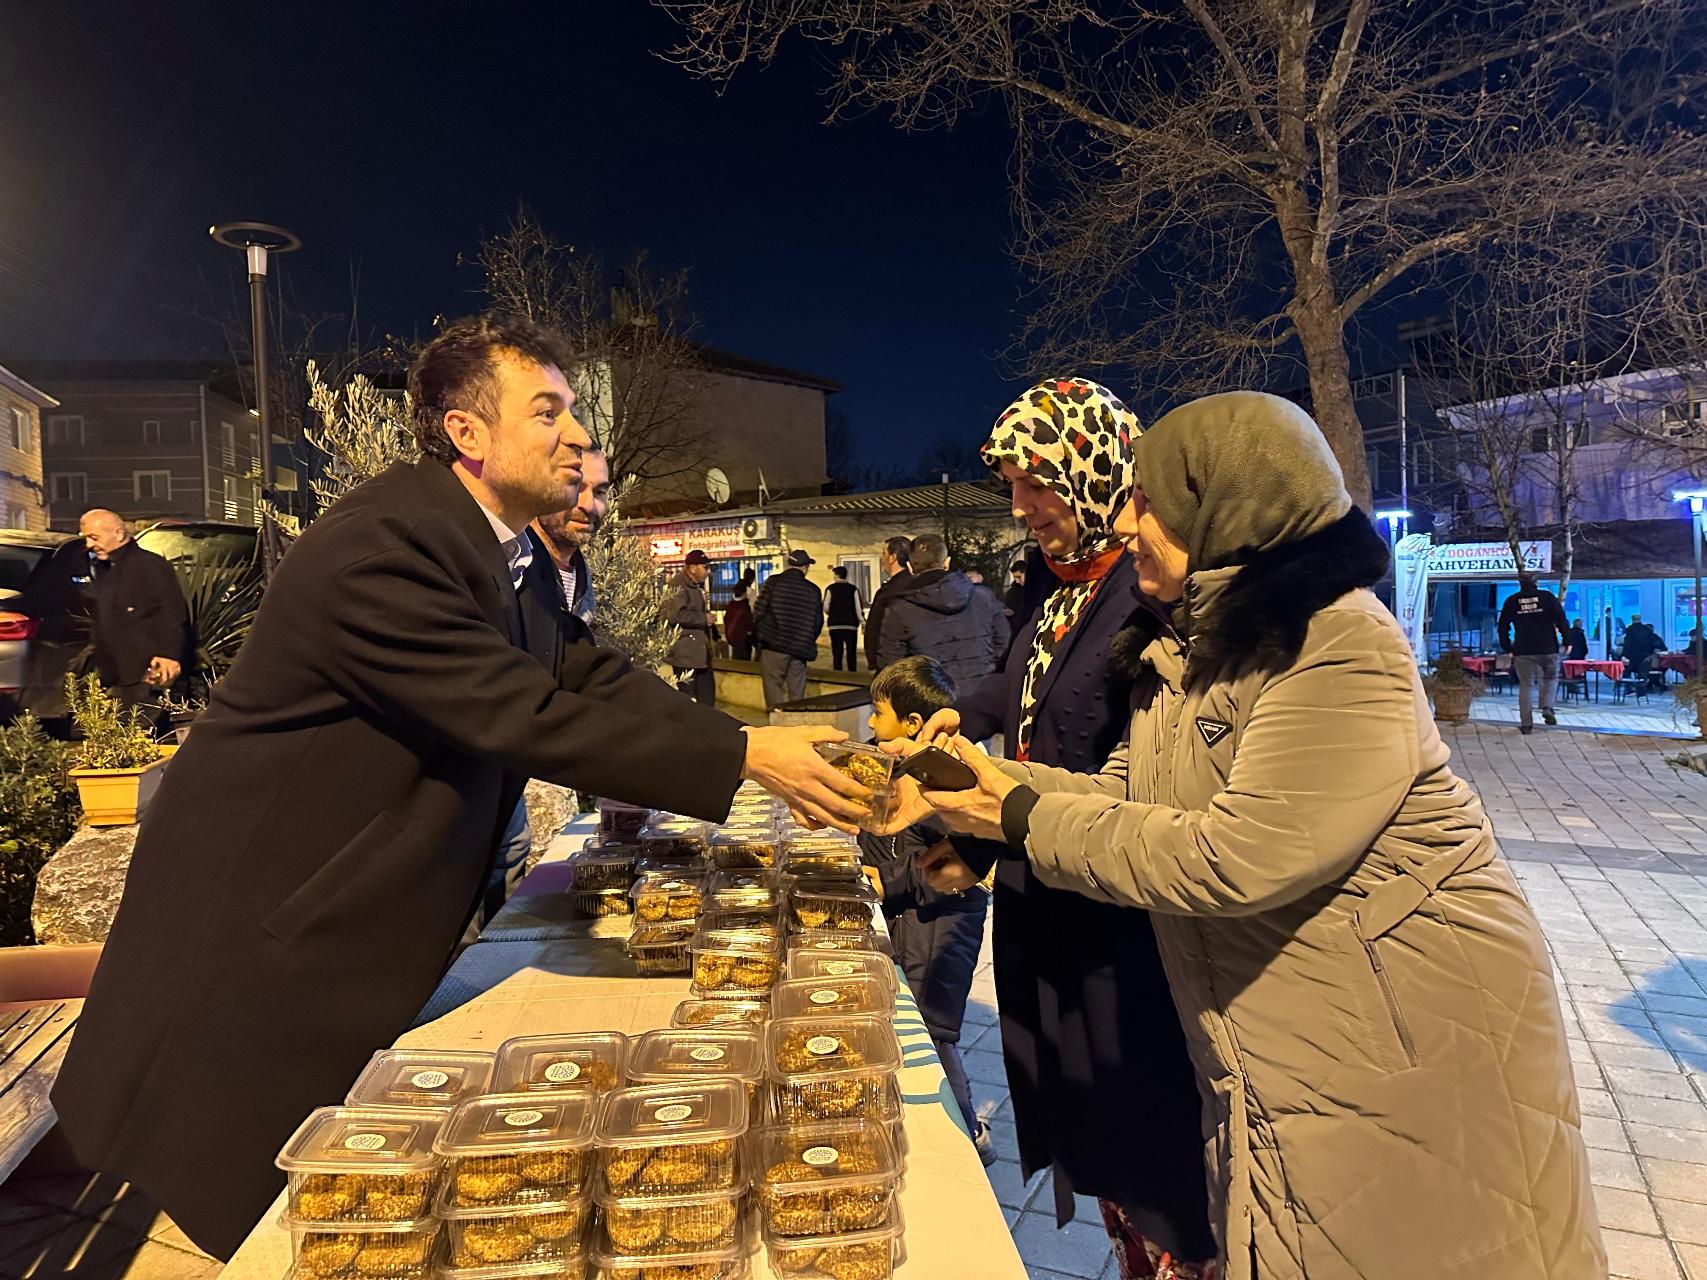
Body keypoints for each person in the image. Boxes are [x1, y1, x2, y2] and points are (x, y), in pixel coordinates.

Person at [51, 314, 870, 1260]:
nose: (576, 438)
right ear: (465, 433)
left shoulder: (499, 552)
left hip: (338, 923)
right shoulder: (385, 545)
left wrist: (743, 735)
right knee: (293, 1210)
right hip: (267, 937)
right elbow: (521, 713)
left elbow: (588, 675)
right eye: (548, 412)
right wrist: (744, 764)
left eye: (575, 414)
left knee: (353, 1211)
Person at [905, 391, 1603, 1279]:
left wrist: (1010, 815)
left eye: (1146, 501)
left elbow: (1236, 856)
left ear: (1220, 508)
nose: (1125, 519)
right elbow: (1120, 793)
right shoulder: (1188, 657)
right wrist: (985, 782)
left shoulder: (1337, 642)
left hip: (1403, 1046)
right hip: (1290, 1047)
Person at [906, 378, 1214, 1273]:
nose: (1019, 504)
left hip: (1122, 927)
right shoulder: (1061, 591)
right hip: (1053, 893)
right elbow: (1020, 685)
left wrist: (986, 829)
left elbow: (1137, 775)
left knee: (1151, 1155)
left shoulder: (1143, 593)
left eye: (1034, 478)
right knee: (1102, 1152)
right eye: (1011, 484)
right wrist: (957, 717)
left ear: (1090, 464)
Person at [855, 656, 993, 1162]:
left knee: (934, 1033)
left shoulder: (945, 780)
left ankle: (966, 1136)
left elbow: (956, 865)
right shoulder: (893, 762)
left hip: (941, 926)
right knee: (912, 1024)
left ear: (913, 724)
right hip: (908, 915)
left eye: (878, 712)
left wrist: (884, 880)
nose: (870, 723)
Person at [77, 508, 189, 718]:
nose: (89, 545)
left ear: (118, 534)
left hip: (146, 676)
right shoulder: (105, 569)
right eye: (86, 539)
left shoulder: (149, 566)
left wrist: (169, 655)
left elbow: (171, 613)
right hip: (116, 675)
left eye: (94, 537)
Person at [875, 532, 1009, 692]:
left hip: (932, 701)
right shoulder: (983, 597)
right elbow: (1003, 642)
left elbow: (891, 664)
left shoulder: (899, 610)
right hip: (982, 694)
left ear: (910, 567)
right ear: (947, 562)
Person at [529, 445, 612, 628]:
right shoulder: (511, 568)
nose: (588, 505)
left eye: (600, 492)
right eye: (574, 486)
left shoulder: (583, 576)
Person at [1498, 572, 1570, 735]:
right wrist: (1567, 640)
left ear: (1520, 583)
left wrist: (1508, 647)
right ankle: (1547, 707)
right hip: (1548, 648)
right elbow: (1561, 619)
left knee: (1526, 685)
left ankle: (1526, 724)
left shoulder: (1512, 601)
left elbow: (1502, 626)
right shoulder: (1547, 598)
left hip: (1523, 650)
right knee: (1551, 678)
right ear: (1536, 582)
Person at [752, 549, 824, 709]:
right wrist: (806, 638)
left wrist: (760, 636)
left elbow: (758, 612)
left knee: (773, 689)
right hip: (799, 649)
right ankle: (795, 727)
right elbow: (818, 622)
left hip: (773, 645)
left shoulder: (773, 582)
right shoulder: (813, 590)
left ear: (788, 565)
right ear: (805, 568)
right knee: (797, 694)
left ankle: (778, 726)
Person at [662, 549, 718, 703]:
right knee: (690, 701)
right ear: (693, 568)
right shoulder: (678, 585)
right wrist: (703, 619)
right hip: (685, 655)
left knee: (707, 699)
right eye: (705, 567)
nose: (708, 572)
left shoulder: (696, 586)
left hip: (699, 654)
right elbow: (675, 616)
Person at [864, 535, 913, 670]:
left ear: (893, 558)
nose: (882, 559)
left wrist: (876, 660)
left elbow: (878, 626)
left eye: (884, 554)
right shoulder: (915, 584)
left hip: (893, 664)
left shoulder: (891, 591)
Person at [825, 565, 864, 671]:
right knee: (851, 652)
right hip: (851, 626)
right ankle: (852, 673)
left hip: (835, 625)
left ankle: (838, 674)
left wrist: (833, 614)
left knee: (837, 652)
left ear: (837, 575)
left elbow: (826, 606)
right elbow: (858, 608)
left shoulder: (830, 589)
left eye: (834, 575)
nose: (833, 577)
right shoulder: (853, 589)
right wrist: (862, 622)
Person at [723, 580, 755, 661]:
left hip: (732, 638)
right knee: (745, 662)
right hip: (743, 639)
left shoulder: (730, 605)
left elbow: (726, 620)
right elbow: (749, 623)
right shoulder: (744, 606)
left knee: (736, 659)